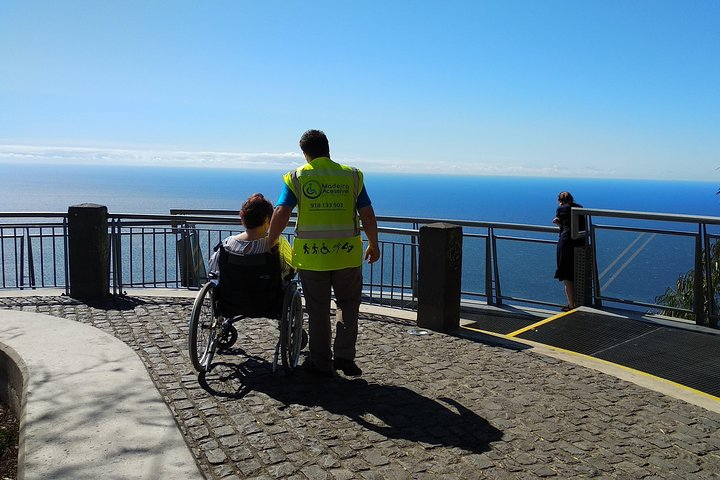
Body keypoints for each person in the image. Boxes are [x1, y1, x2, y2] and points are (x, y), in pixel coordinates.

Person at [268, 129, 380, 378]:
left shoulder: (297, 177)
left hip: (312, 257)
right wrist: (373, 243)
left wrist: (271, 241)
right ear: (328, 149)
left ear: (305, 153)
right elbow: (368, 214)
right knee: (348, 305)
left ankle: (320, 362)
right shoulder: (351, 176)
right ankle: (344, 356)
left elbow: (281, 213)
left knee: (318, 309)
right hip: (347, 255)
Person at [209, 193, 294, 280]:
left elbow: (213, 266)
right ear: (267, 219)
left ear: (243, 218)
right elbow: (288, 270)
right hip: (268, 292)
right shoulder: (276, 243)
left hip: (232, 292)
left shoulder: (227, 245)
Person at [553, 191, 586, 311]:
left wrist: (558, 223)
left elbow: (565, 228)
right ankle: (582, 303)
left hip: (566, 243)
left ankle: (571, 305)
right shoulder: (580, 208)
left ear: (560, 201)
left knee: (567, 275)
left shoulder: (561, 209)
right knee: (578, 272)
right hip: (580, 242)